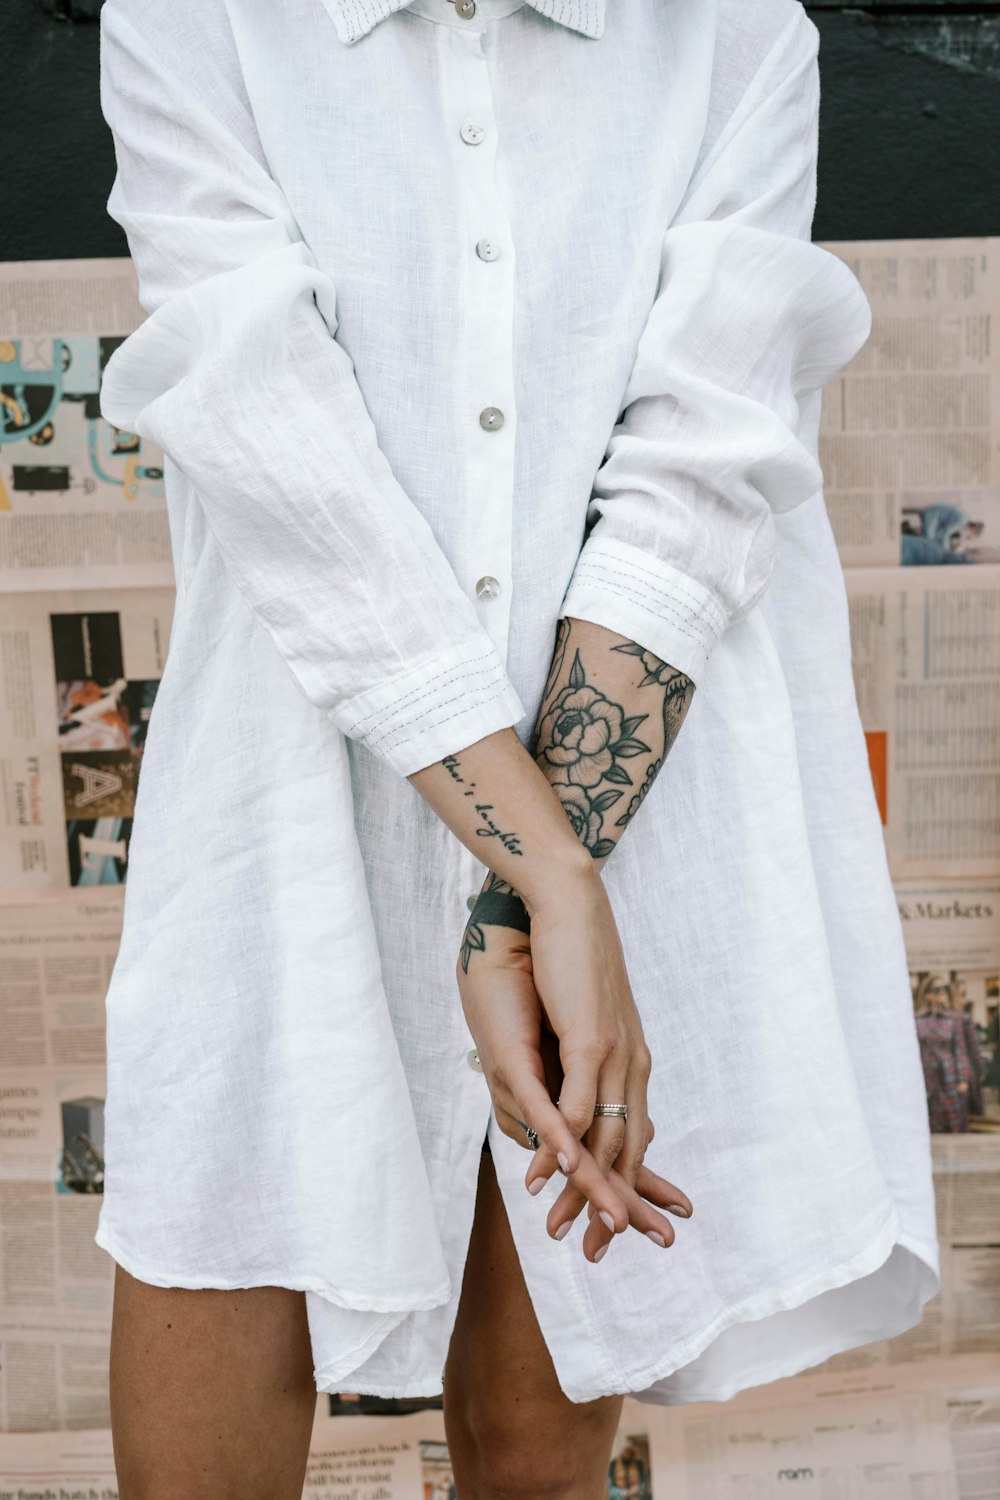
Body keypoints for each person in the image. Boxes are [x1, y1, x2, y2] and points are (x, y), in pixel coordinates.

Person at [94, 0, 941, 1495]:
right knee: (220, 1223)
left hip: (633, 790)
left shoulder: (735, 33)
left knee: (539, 1448)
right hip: (302, 788)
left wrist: (523, 903)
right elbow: (277, 447)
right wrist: (545, 873)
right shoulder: (194, 21)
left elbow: (701, 466)